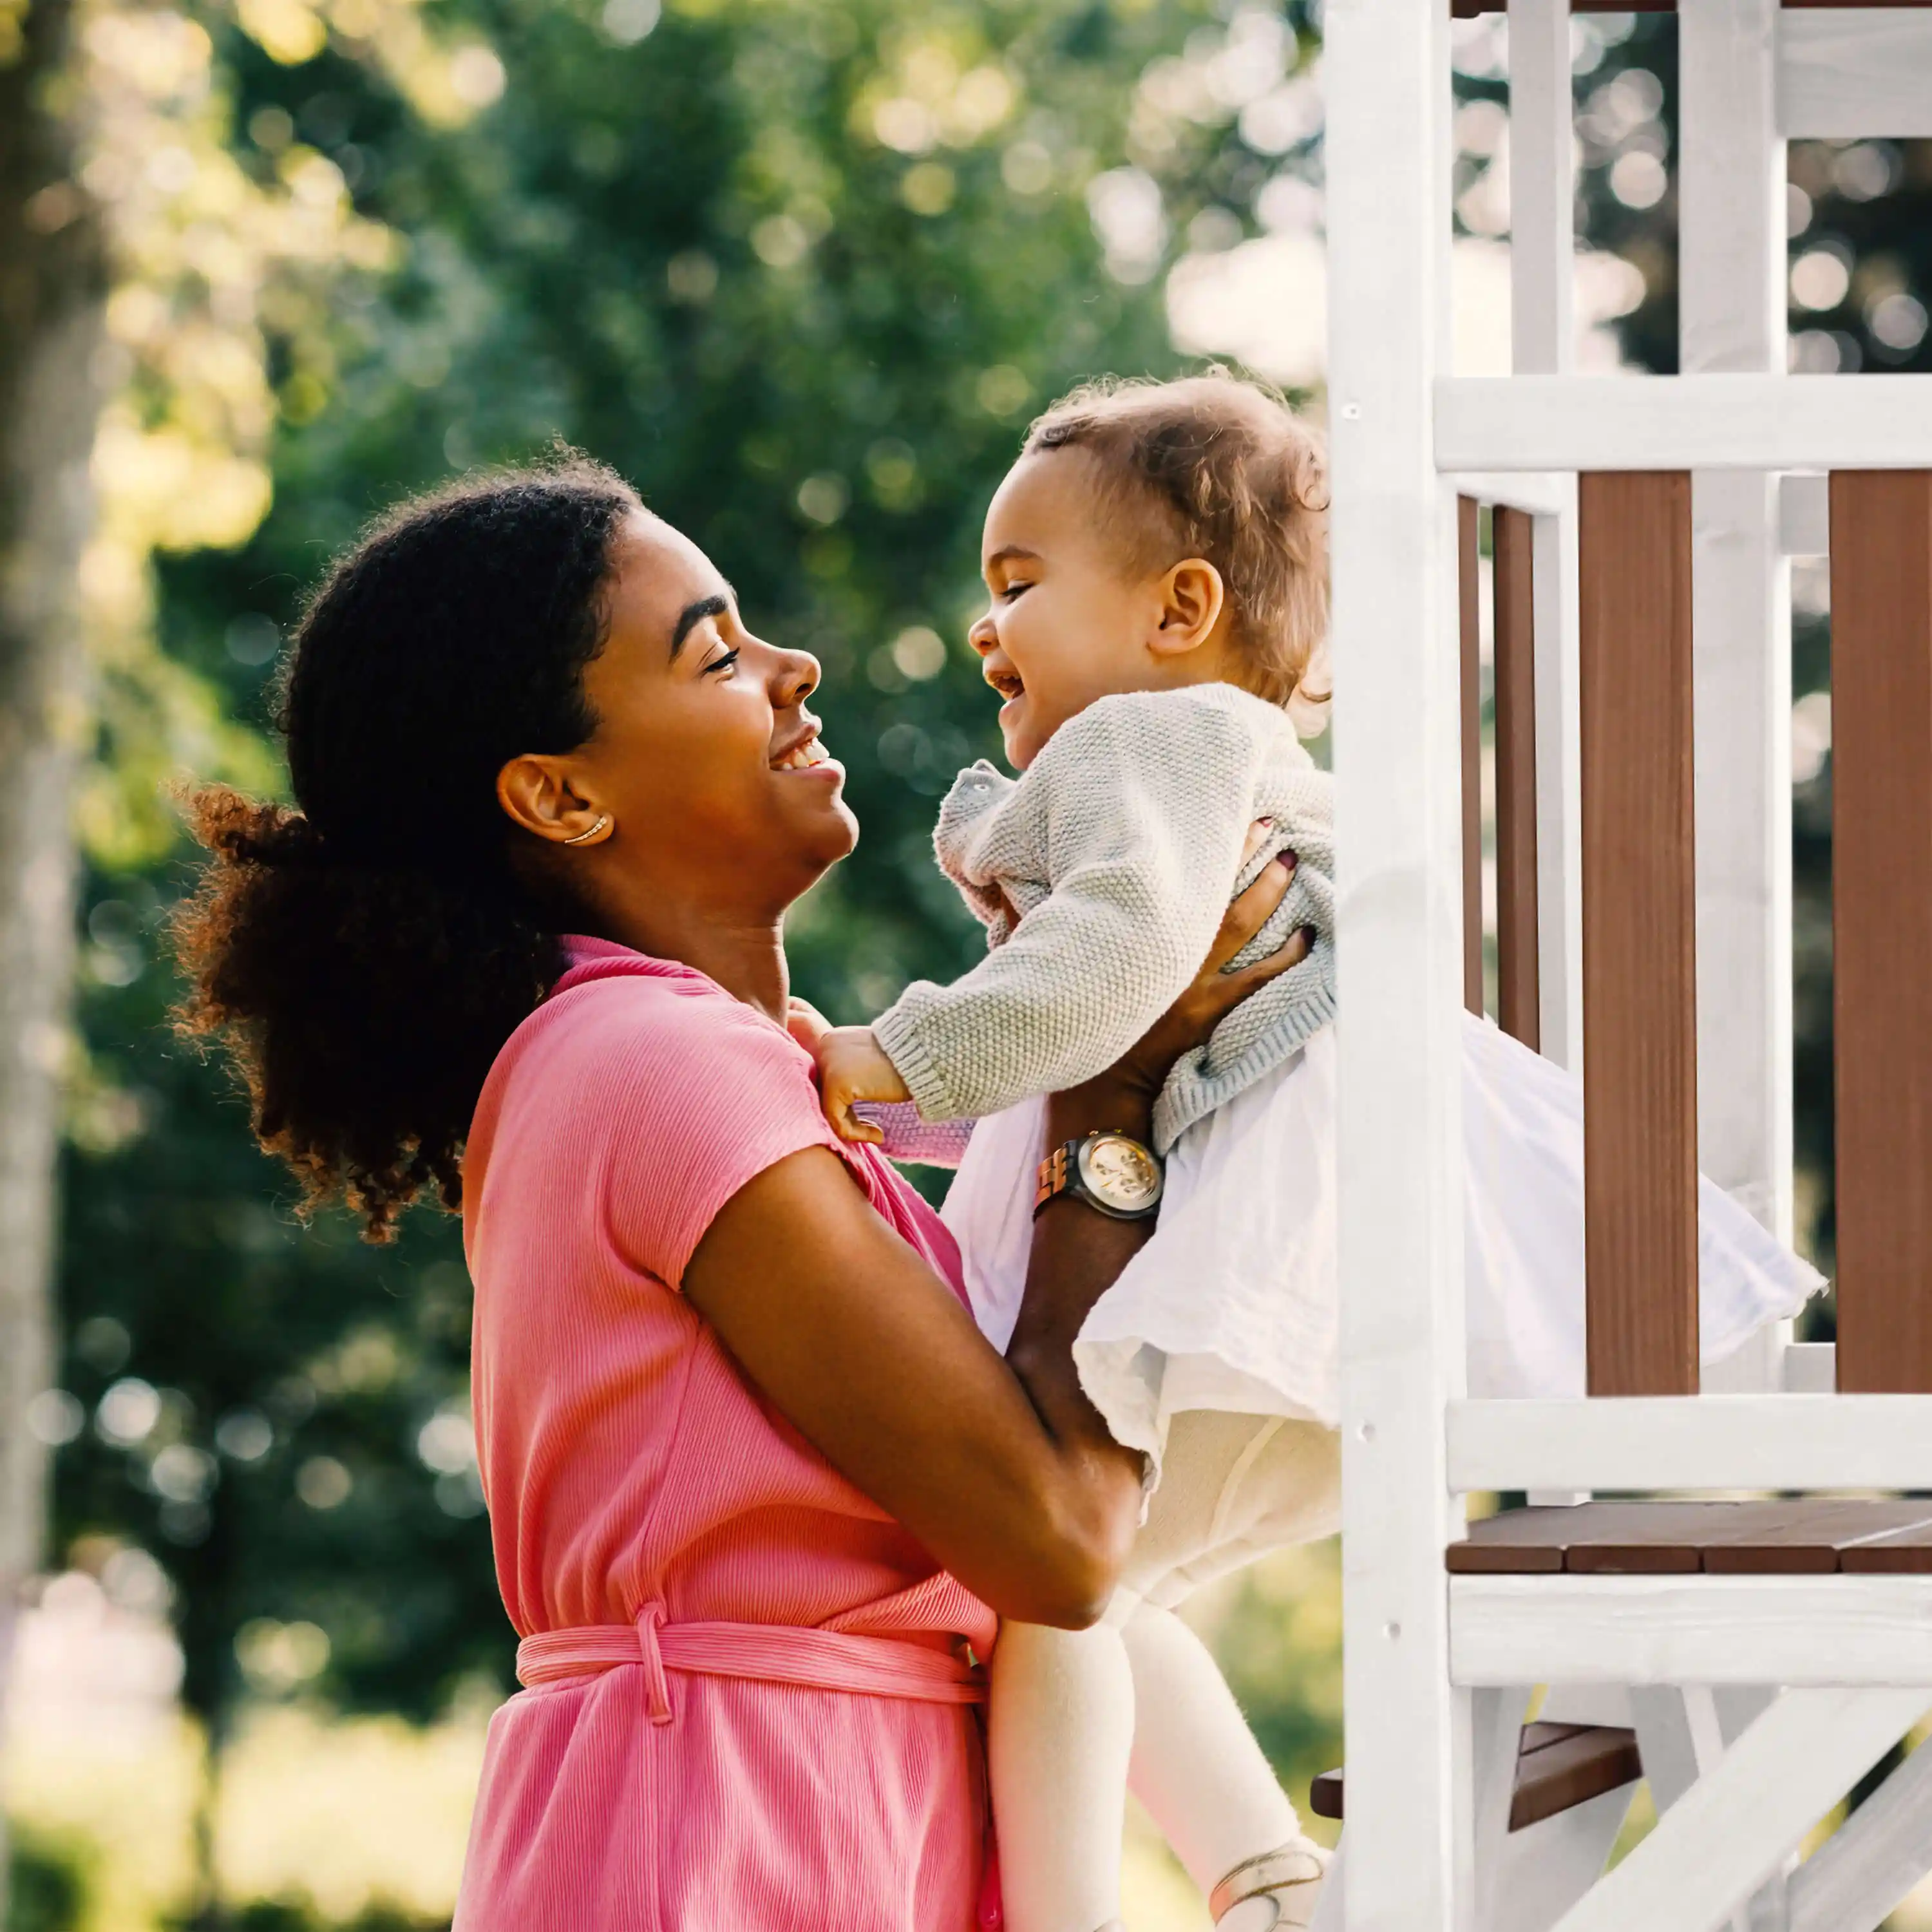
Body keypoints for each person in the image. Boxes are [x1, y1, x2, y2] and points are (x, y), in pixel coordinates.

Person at [168, 453, 1310, 1932]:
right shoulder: (655, 1065)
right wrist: (1118, 1083)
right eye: (715, 652)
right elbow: (1058, 1539)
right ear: (563, 795)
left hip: (814, 1805)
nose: (793, 667)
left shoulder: (739, 1071)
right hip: (727, 1829)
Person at [809, 373, 1824, 1932]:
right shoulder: (1227, 752)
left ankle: (1076, 1912)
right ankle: (1268, 1878)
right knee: (1093, 1579)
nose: (981, 626)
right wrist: (898, 1097)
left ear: (1179, 607)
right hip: (1302, 1241)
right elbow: (1077, 1044)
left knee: (1048, 1581)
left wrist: (890, 1060)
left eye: (1018, 585)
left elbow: (1112, 970)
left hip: (1256, 1230)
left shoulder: (1156, 739)